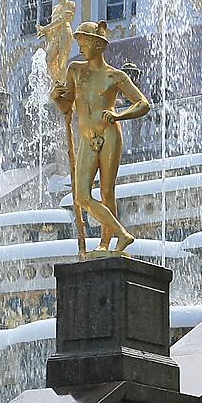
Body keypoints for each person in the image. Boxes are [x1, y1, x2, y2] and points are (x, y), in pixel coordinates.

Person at [53, 21, 152, 255]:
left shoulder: (115, 76)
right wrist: (56, 97)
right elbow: (66, 106)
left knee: (108, 192)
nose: (81, 49)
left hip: (109, 135)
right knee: (81, 196)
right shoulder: (75, 70)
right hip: (87, 138)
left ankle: (106, 243)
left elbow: (143, 104)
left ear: (98, 44)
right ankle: (122, 233)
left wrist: (120, 114)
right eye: (79, 44)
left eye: (85, 43)